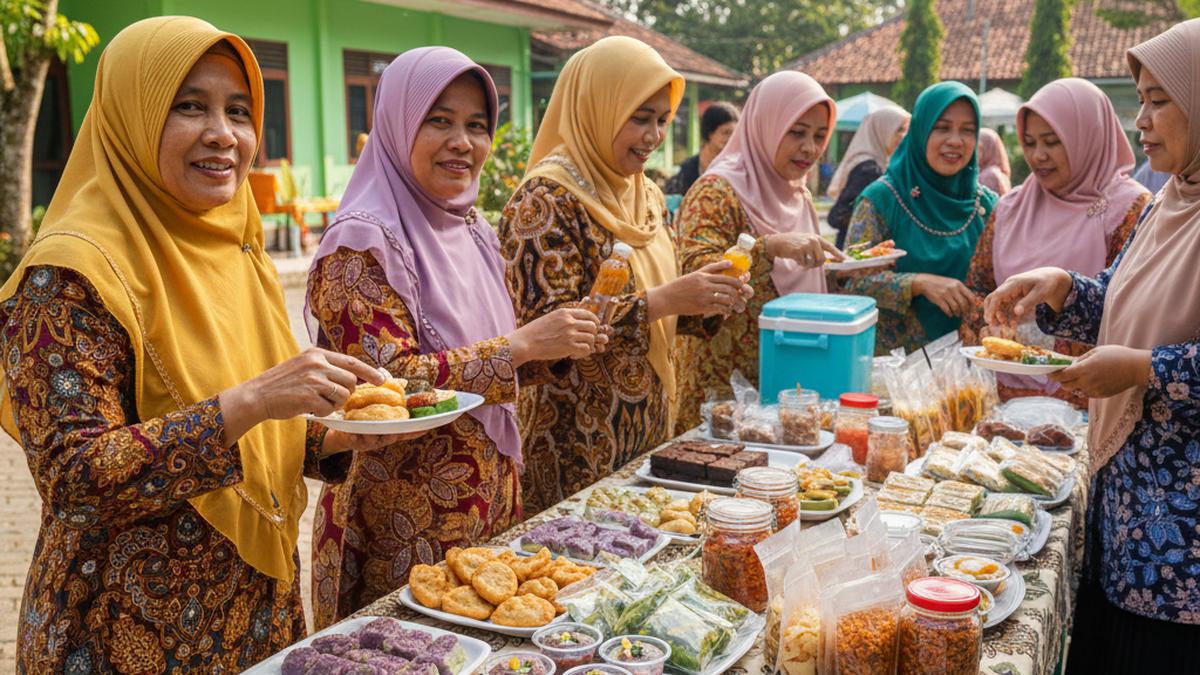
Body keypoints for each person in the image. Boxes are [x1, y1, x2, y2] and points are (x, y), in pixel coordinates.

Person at [0, 17, 400, 671]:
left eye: (239, 111)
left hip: (252, 617)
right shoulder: (70, 271)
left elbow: (240, 417)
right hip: (122, 634)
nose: (224, 133)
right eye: (190, 106)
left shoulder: (232, 246)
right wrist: (256, 398)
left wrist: (331, 439)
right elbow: (75, 480)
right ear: (133, 114)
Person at [305, 47, 603, 628]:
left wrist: (554, 347)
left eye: (476, 125)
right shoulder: (359, 246)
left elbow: (493, 362)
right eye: (438, 120)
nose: (463, 142)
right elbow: (385, 388)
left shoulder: (473, 228)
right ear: (397, 123)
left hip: (488, 496)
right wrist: (521, 346)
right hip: (398, 517)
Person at [984, 19, 1200, 673]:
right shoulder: (1174, 203)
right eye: (1140, 100)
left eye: (1159, 100)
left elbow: (1147, 346)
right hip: (1123, 516)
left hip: (1181, 553)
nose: (1142, 122)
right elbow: (1118, 296)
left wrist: (1140, 368)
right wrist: (1058, 286)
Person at [498, 36, 751, 514]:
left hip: (649, 431)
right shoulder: (545, 201)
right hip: (575, 445)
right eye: (639, 117)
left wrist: (709, 294)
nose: (654, 136)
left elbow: (669, 303)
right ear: (598, 107)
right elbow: (548, 332)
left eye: (662, 120)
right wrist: (666, 300)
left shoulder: (647, 195)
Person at [962, 78, 1151, 407]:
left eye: (1052, 142)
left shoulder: (1130, 210)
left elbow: (1132, 311)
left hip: (1089, 399)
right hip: (1002, 399)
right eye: (1030, 142)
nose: (1038, 155)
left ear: (1088, 138)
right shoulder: (1010, 208)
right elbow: (979, 287)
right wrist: (990, 327)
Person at [674, 71, 844, 431]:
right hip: (722, 401)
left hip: (789, 386)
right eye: (796, 132)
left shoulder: (798, 196)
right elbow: (695, 273)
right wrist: (769, 247)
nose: (810, 148)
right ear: (765, 125)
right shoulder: (716, 192)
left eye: (818, 136)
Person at [832, 82, 999, 354]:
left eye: (967, 130)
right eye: (942, 127)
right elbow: (850, 284)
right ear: (920, 131)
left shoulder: (988, 206)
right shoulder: (882, 200)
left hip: (971, 374)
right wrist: (916, 283)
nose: (956, 140)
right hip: (896, 376)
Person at [827, 106, 911, 248]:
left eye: (905, 130)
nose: (904, 136)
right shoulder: (868, 170)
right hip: (857, 253)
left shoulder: (878, 163)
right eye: (899, 130)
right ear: (882, 130)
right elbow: (837, 216)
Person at [664, 101, 740, 196]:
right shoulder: (689, 168)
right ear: (709, 133)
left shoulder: (738, 166)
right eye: (725, 133)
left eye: (735, 133)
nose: (731, 138)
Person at [976, 127, 1012, 196]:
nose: (974, 153)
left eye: (979, 148)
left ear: (989, 149)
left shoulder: (989, 176)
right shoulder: (995, 172)